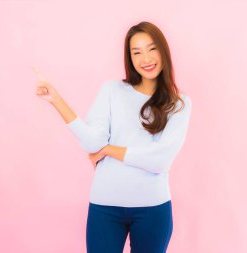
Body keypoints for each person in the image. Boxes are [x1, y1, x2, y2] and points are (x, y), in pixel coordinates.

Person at [36, 21, 192, 253]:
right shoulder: (112, 90)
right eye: (136, 52)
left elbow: (160, 161)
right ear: (129, 58)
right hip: (105, 206)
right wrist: (56, 100)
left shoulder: (179, 104)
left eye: (151, 49)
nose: (145, 59)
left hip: (153, 208)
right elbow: (92, 142)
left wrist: (109, 150)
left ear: (163, 51)